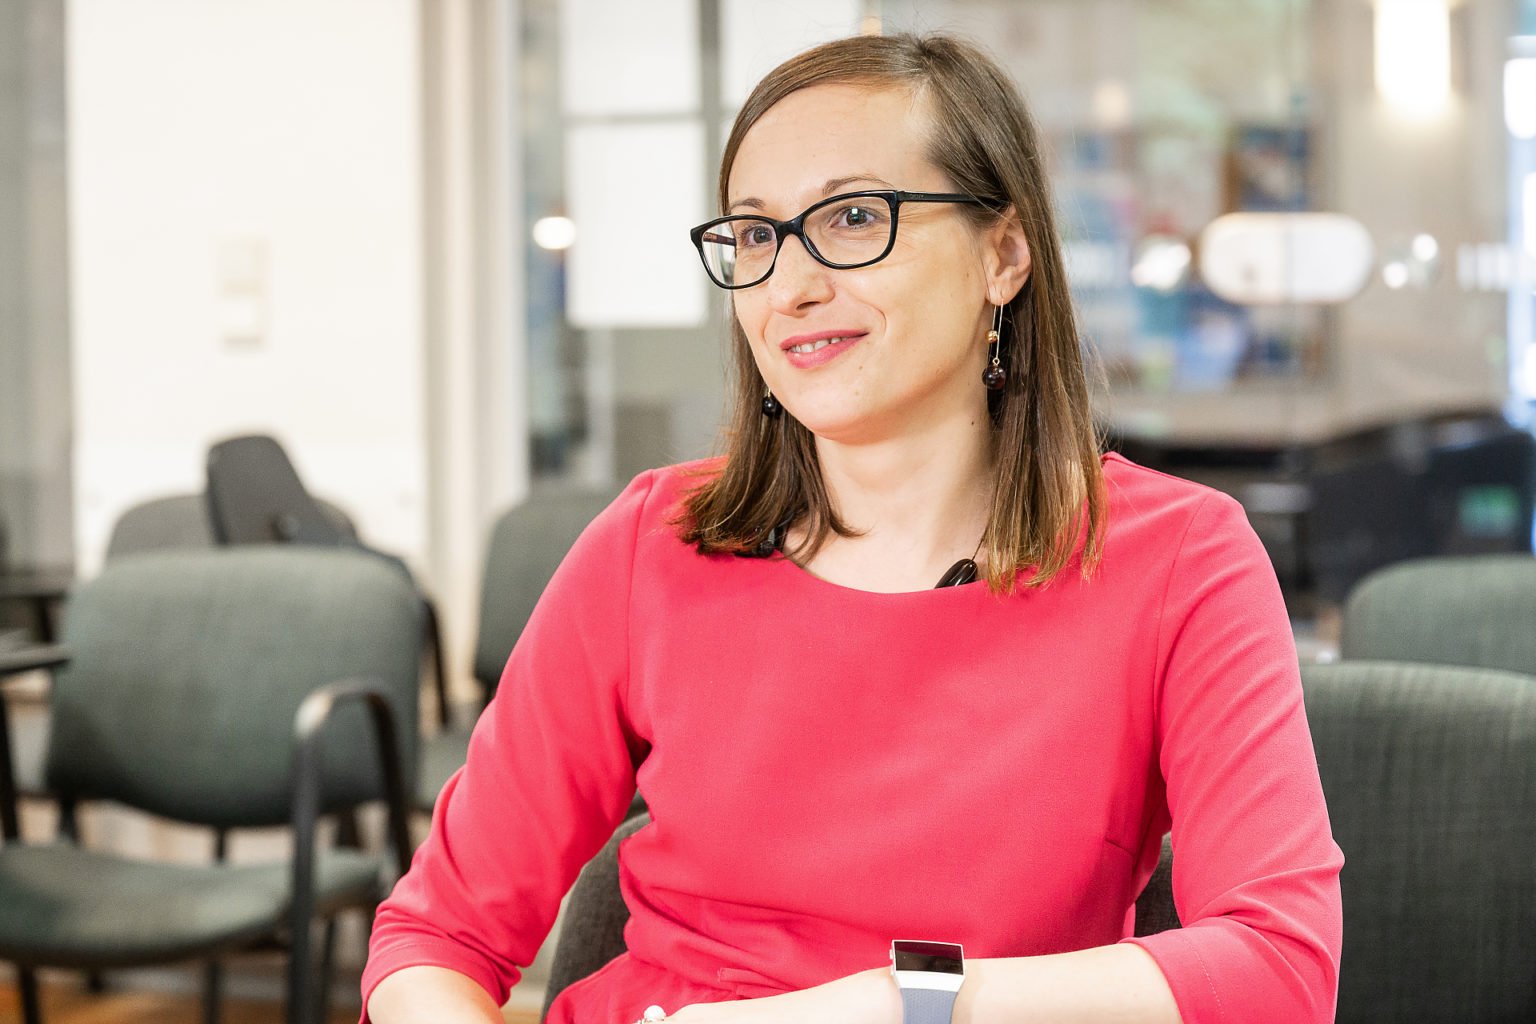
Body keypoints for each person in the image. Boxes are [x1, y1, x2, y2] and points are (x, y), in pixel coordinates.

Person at [364, 32, 1342, 1024]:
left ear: (1005, 253)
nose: (787, 286)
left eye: (853, 216)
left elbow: (1279, 972)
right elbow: (436, 936)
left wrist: (896, 1005)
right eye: (755, 236)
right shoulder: (649, 545)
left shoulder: (1180, 561)